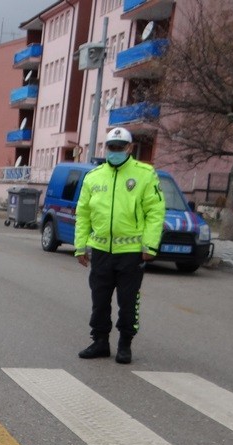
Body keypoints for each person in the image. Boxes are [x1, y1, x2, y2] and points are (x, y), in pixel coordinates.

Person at [75, 127, 165, 365]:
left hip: (131, 254)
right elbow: (83, 214)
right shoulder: (93, 176)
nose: (114, 152)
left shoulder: (145, 174)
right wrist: (80, 246)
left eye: (119, 147)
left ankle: (125, 344)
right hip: (102, 251)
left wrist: (150, 246)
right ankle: (100, 341)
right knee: (100, 300)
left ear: (129, 148)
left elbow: (155, 213)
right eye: (111, 147)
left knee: (128, 301)